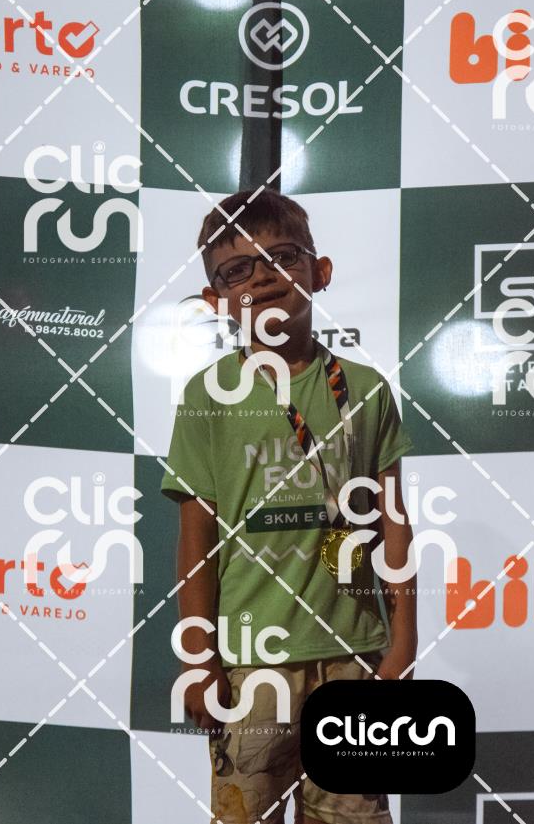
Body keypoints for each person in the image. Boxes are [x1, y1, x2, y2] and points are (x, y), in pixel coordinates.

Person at [160, 188, 417, 824]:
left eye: (283, 256)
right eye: (236, 270)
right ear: (217, 301)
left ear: (319, 271)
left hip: (354, 655)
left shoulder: (366, 388)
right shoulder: (207, 396)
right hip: (251, 663)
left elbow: (394, 523)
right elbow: (195, 542)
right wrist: (199, 657)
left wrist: (403, 641)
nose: (264, 277)